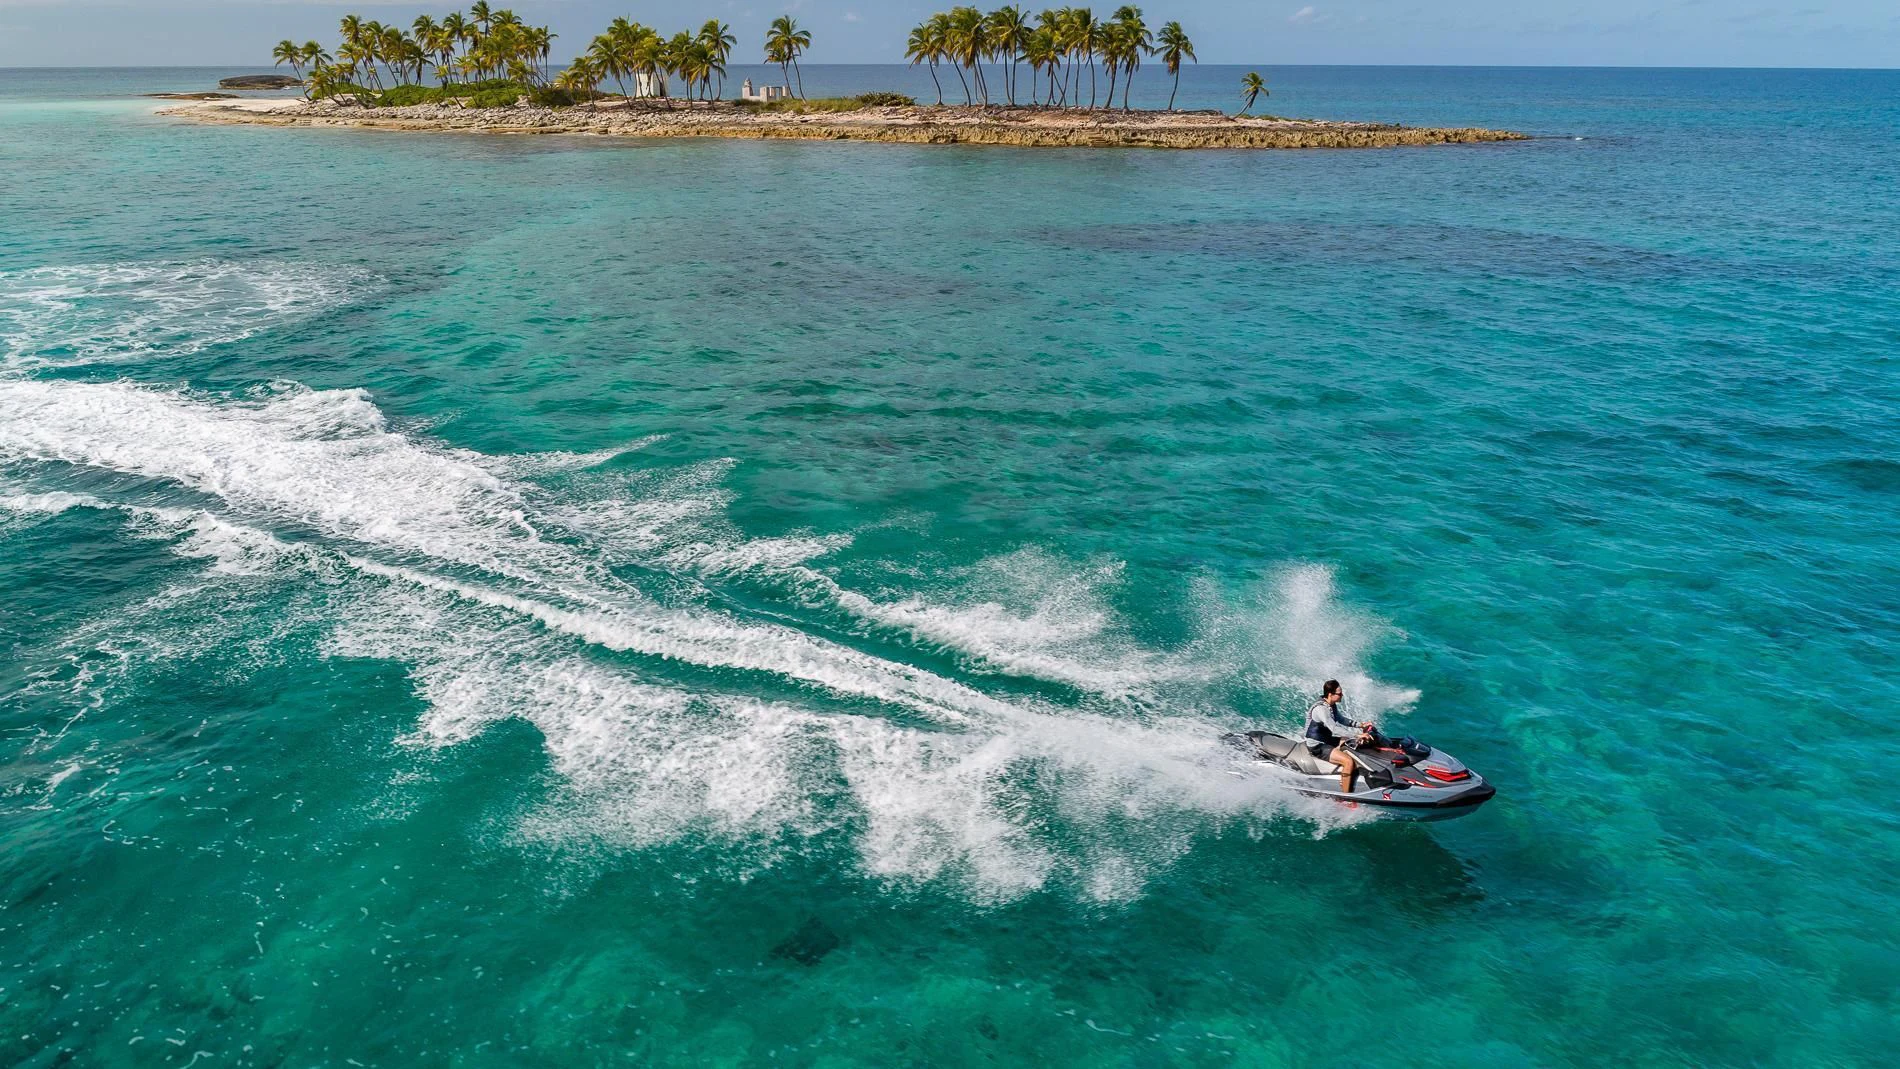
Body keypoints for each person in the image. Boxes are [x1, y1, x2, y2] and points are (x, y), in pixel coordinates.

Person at [1306, 679, 1374, 795]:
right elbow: (1334, 728)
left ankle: (1346, 775)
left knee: (1355, 745)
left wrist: (1361, 725)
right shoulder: (1321, 709)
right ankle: (1346, 797)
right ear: (1330, 694)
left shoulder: (1331, 705)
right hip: (1317, 746)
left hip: (1326, 740)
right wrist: (1357, 735)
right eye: (1339, 693)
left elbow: (1341, 719)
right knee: (1348, 761)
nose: (1342, 695)